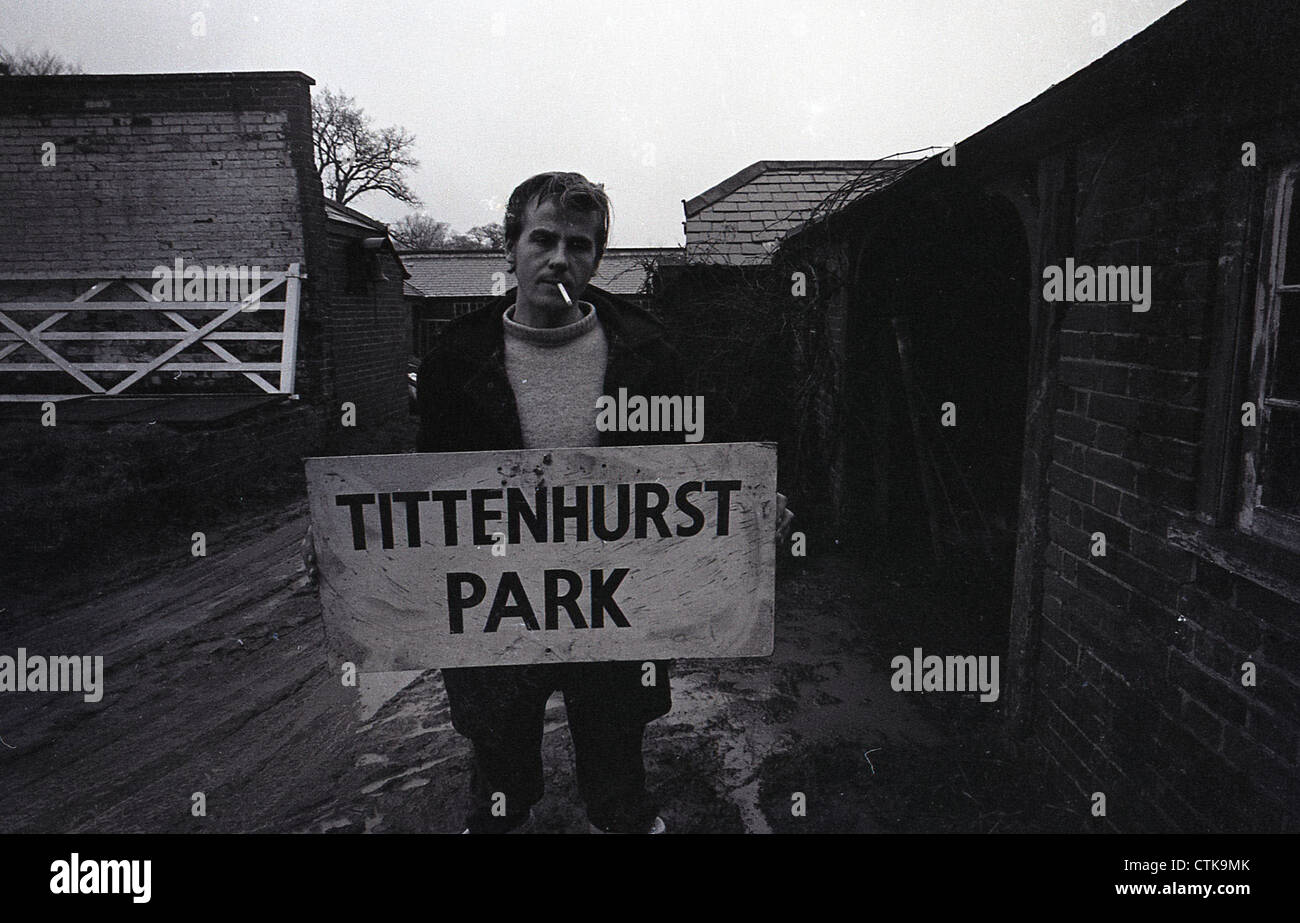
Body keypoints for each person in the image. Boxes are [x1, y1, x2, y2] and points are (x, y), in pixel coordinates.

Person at [415, 171, 793, 834]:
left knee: (619, 780)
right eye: (543, 239)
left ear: (597, 258)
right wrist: (339, 534)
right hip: (497, 606)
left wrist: (755, 511)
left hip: (618, 601)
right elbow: (417, 486)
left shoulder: (647, 350)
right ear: (511, 248)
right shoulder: (455, 357)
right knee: (500, 781)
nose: (560, 257)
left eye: (580, 245)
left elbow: (691, 470)